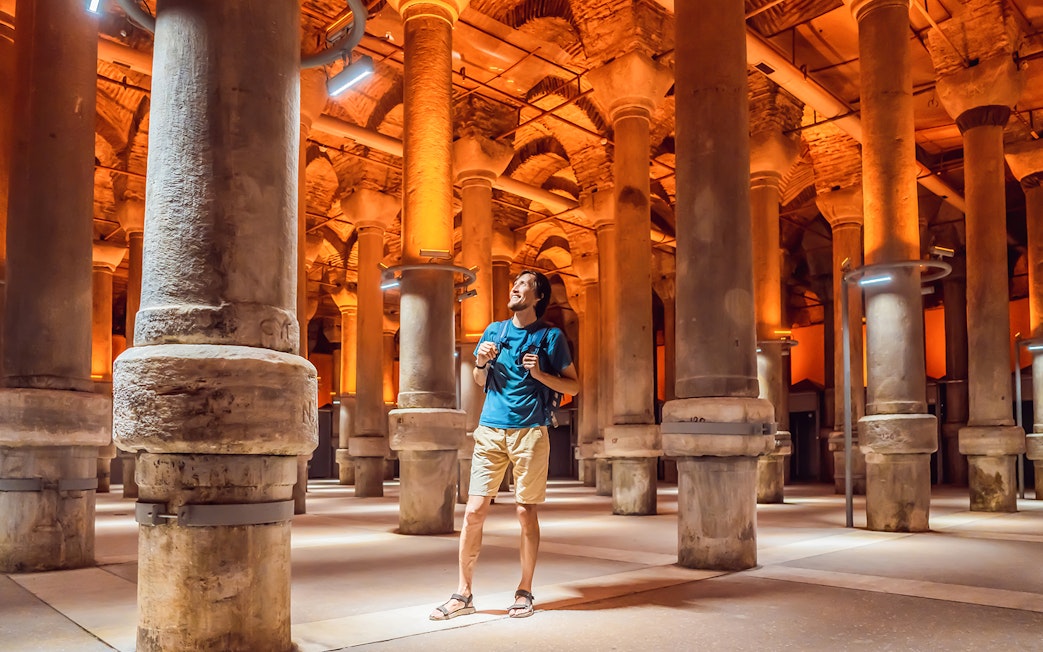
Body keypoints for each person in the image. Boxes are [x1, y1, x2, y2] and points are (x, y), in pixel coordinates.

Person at [430, 270, 579, 621]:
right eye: (515, 284)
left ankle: (524, 590)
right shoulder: (494, 330)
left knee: (525, 512)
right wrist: (480, 361)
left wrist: (540, 374)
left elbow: (575, 386)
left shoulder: (550, 336)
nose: (515, 287)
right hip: (490, 430)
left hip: (530, 432)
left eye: (524, 284)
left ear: (538, 296)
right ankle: (463, 594)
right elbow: (481, 379)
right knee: (473, 511)